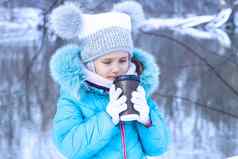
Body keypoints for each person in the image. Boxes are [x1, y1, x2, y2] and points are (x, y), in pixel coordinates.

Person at [49, 2, 170, 159]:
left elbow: (158, 148)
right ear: (90, 64)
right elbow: (69, 147)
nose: (116, 68)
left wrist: (147, 120)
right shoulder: (75, 95)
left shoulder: (138, 90)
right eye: (107, 62)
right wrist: (108, 117)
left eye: (122, 60)